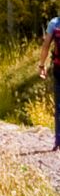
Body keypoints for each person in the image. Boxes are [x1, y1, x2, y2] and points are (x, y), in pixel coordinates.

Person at [39, 15, 60, 149]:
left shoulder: (54, 23)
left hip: (59, 69)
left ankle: (58, 140)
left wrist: (42, 65)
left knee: (59, 105)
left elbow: (46, 46)